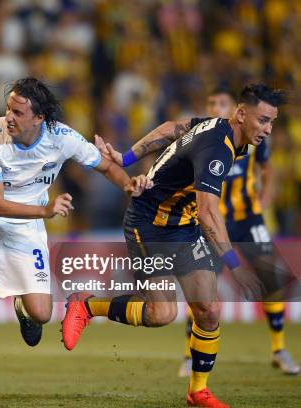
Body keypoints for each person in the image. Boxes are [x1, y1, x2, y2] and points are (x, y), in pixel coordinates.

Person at [62, 84, 285, 408]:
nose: (267, 129)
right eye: (263, 120)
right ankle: (86, 305)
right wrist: (236, 266)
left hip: (182, 227)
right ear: (241, 114)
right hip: (148, 225)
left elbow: (170, 129)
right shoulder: (218, 149)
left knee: (208, 311)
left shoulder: (221, 128)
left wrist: (125, 157)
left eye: (272, 122)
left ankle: (198, 391)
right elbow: (210, 213)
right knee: (161, 313)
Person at [0, 77, 151, 408]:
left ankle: (23, 308)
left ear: (39, 117)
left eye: (17, 112)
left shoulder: (63, 138)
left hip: (25, 227)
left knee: (42, 314)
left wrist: (129, 186)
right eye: (7, 109)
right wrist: (45, 210)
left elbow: (104, 166)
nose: (8, 117)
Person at [174, 88, 298, 377]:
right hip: (212, 222)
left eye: (222, 103)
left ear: (237, 111)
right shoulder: (204, 138)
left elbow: (268, 169)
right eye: (211, 103)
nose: (216, 107)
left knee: (271, 278)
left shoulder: (253, 138)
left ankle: (279, 349)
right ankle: (188, 355)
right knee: (202, 288)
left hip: (247, 218)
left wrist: (265, 196)